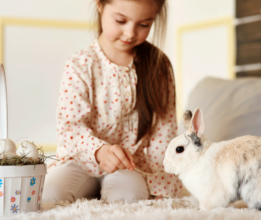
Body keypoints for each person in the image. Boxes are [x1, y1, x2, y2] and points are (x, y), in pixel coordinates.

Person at [43, 0, 182, 203]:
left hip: (129, 164)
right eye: (120, 20)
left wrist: (161, 187)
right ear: (100, 6)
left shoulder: (159, 66)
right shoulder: (80, 65)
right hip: (79, 161)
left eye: (144, 25)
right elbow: (70, 128)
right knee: (48, 196)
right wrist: (98, 151)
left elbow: (163, 134)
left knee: (128, 199)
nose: (130, 33)